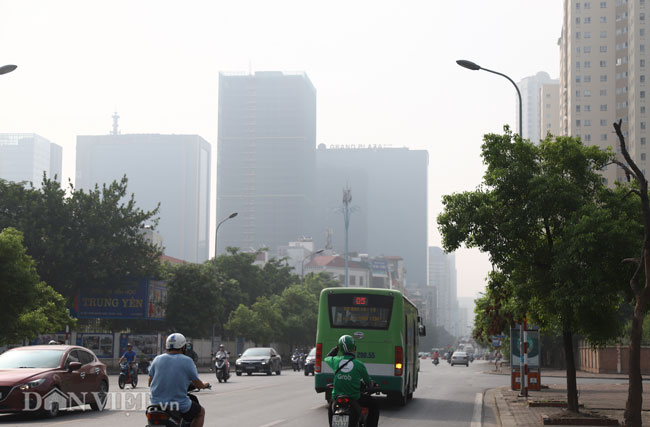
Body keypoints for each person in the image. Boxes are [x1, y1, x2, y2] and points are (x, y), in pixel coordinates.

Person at [148, 333, 210, 427]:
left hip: (154, 405)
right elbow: (197, 384)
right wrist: (204, 385)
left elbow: (150, 383)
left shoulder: (157, 359)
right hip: (178, 405)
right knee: (201, 412)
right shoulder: (187, 361)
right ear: (183, 347)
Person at [324, 335, 379, 427]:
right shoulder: (358, 364)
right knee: (374, 404)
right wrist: (372, 385)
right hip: (354, 398)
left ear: (340, 349)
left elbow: (327, 357)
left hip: (337, 397)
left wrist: (337, 348)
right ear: (355, 348)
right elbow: (368, 382)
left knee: (331, 407)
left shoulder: (335, 361)